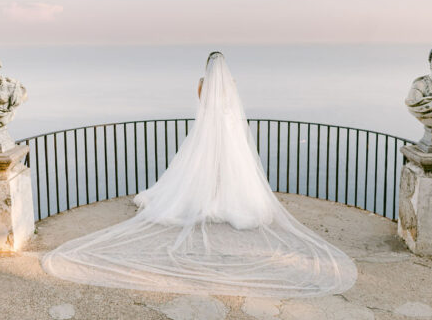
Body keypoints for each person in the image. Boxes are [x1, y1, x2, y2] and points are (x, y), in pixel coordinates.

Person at [42, 52, 357, 297]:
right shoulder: (231, 86)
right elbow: (231, 109)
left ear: (208, 68)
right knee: (231, 170)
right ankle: (226, 199)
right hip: (230, 135)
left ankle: (206, 197)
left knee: (200, 169)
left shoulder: (202, 83)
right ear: (226, 70)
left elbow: (201, 106)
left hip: (208, 135)